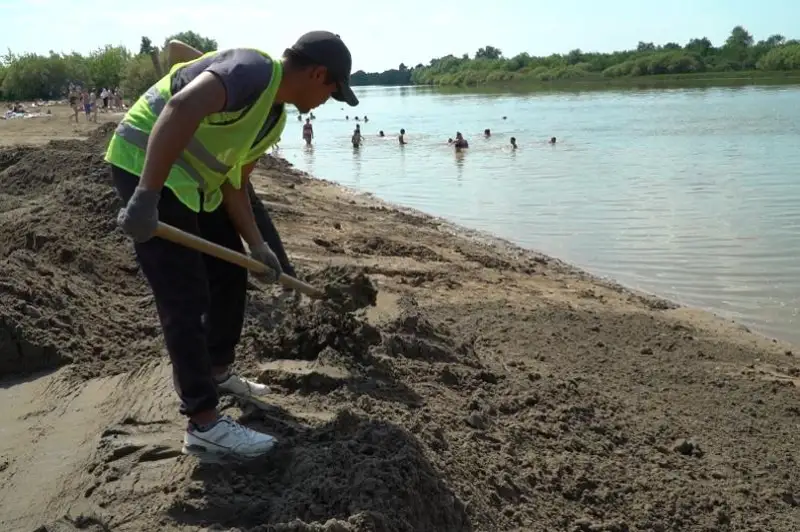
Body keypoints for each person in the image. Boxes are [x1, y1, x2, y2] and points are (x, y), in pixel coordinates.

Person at [105, 31, 358, 462]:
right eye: (333, 90)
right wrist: (145, 197)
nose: (329, 100)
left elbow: (236, 182)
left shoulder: (273, 117)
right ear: (318, 73)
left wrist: (258, 246)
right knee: (184, 296)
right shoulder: (250, 70)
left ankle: (218, 372)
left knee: (229, 275)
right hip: (145, 165)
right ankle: (203, 424)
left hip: (193, 186)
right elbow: (180, 106)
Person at [166, 39, 296, 278]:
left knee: (250, 209)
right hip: (213, 168)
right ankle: (280, 269)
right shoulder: (226, 73)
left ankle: (282, 269)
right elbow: (174, 47)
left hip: (232, 163)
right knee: (246, 210)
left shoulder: (238, 76)